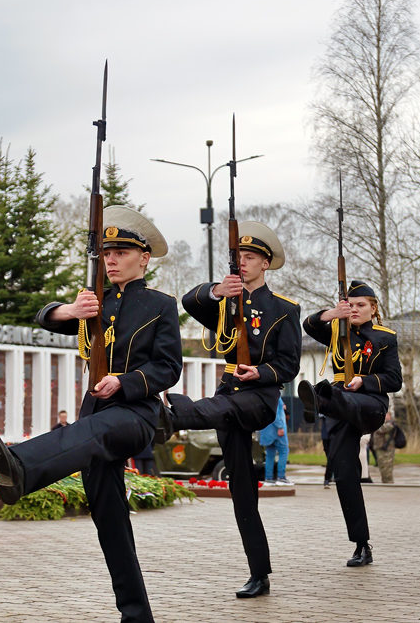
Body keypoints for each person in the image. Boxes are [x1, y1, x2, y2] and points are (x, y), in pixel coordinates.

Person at [0, 206, 182, 623]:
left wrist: (123, 382)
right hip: (96, 417)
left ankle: (20, 467)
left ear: (144, 258)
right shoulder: (95, 302)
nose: (111, 260)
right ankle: (137, 616)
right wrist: (70, 312)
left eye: (121, 252)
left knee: (95, 431)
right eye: (107, 252)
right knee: (112, 528)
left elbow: (168, 367)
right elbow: (44, 317)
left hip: (136, 413)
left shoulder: (162, 306)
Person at [166, 221, 300, 598]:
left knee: (218, 408)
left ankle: (172, 414)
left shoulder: (284, 309)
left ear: (266, 264)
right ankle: (259, 573)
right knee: (242, 489)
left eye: (251, 257)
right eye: (239, 256)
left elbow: (289, 364)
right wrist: (216, 290)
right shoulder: (226, 302)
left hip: (259, 396)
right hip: (228, 393)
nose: (243, 262)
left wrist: (260, 370)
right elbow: (189, 302)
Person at [297, 279, 402, 568]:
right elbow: (308, 324)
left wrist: (364, 380)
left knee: (339, 394)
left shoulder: (385, 337)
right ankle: (361, 545)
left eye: (360, 305)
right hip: (341, 407)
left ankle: (320, 400)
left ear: (373, 308)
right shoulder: (336, 331)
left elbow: (395, 380)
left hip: (370, 404)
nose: (354, 309)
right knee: (344, 475)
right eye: (350, 305)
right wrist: (332, 313)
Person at [259, 397, 292, 486]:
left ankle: (268, 478)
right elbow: (275, 414)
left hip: (266, 431)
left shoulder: (264, 397)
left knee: (270, 455)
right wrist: (280, 427)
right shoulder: (276, 397)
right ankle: (281, 477)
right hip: (277, 431)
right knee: (284, 451)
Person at [371, 412, 397, 484]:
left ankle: (388, 482)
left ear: (390, 416)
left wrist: (376, 422)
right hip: (380, 447)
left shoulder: (390, 424)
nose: (384, 416)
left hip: (387, 449)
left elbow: (380, 430)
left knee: (387, 467)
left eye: (386, 415)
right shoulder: (384, 423)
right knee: (382, 466)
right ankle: (385, 481)